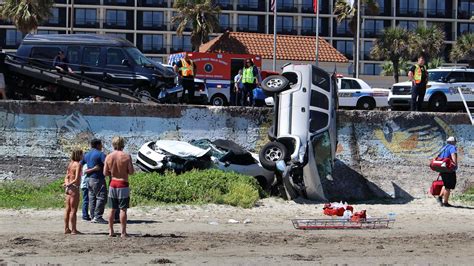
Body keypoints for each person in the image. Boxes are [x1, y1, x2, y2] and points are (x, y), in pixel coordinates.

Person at [104, 136, 134, 237]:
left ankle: (111, 231)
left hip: (113, 183)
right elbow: (131, 172)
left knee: (112, 209)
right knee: (123, 209)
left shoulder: (108, 156)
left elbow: (105, 173)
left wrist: (113, 171)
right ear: (122, 144)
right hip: (123, 183)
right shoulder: (126, 156)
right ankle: (123, 232)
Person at [81, 139, 108, 224]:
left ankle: (93, 216)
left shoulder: (87, 155)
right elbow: (107, 164)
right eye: (101, 145)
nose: (102, 146)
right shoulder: (100, 154)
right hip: (98, 178)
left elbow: (80, 164)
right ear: (97, 145)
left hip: (89, 179)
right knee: (102, 197)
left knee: (92, 198)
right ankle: (98, 216)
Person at [64, 149, 83, 235]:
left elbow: (66, 176)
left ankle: (66, 228)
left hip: (68, 189)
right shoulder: (78, 165)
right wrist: (70, 184)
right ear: (79, 155)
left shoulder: (70, 164)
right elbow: (76, 179)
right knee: (73, 210)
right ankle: (74, 229)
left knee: (67, 209)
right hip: (74, 188)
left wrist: (67, 183)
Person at [437, 136, 458, 207]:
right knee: (448, 186)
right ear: (453, 142)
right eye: (455, 141)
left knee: (445, 184)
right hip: (449, 169)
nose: (455, 143)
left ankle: (440, 197)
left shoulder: (443, 148)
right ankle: (445, 203)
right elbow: (453, 156)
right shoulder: (452, 147)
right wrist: (455, 165)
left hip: (442, 168)